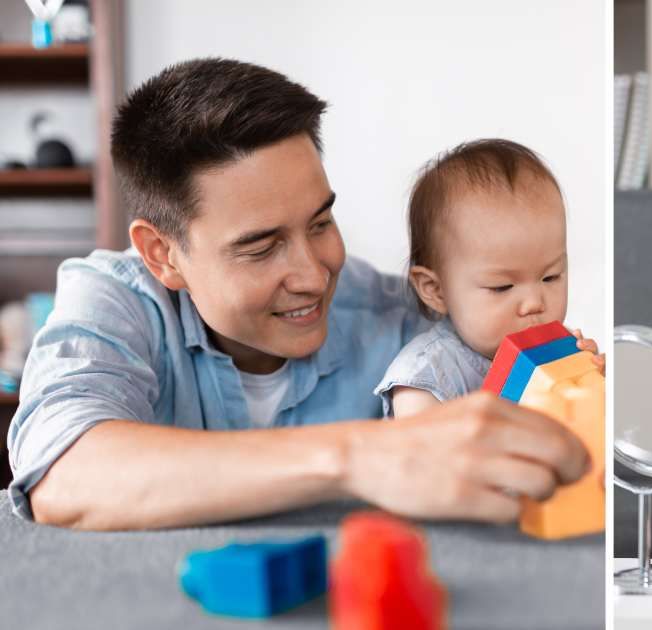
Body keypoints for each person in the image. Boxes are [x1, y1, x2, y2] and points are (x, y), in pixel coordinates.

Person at [6, 58, 589, 530]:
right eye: (260, 248)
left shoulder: (412, 321)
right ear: (163, 254)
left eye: (319, 224)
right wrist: (360, 457)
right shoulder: (114, 301)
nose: (313, 275)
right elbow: (63, 475)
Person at [375, 139, 604, 418]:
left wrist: (589, 385)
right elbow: (424, 459)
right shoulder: (424, 380)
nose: (534, 302)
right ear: (436, 290)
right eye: (502, 287)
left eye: (550, 277)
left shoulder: (557, 349)